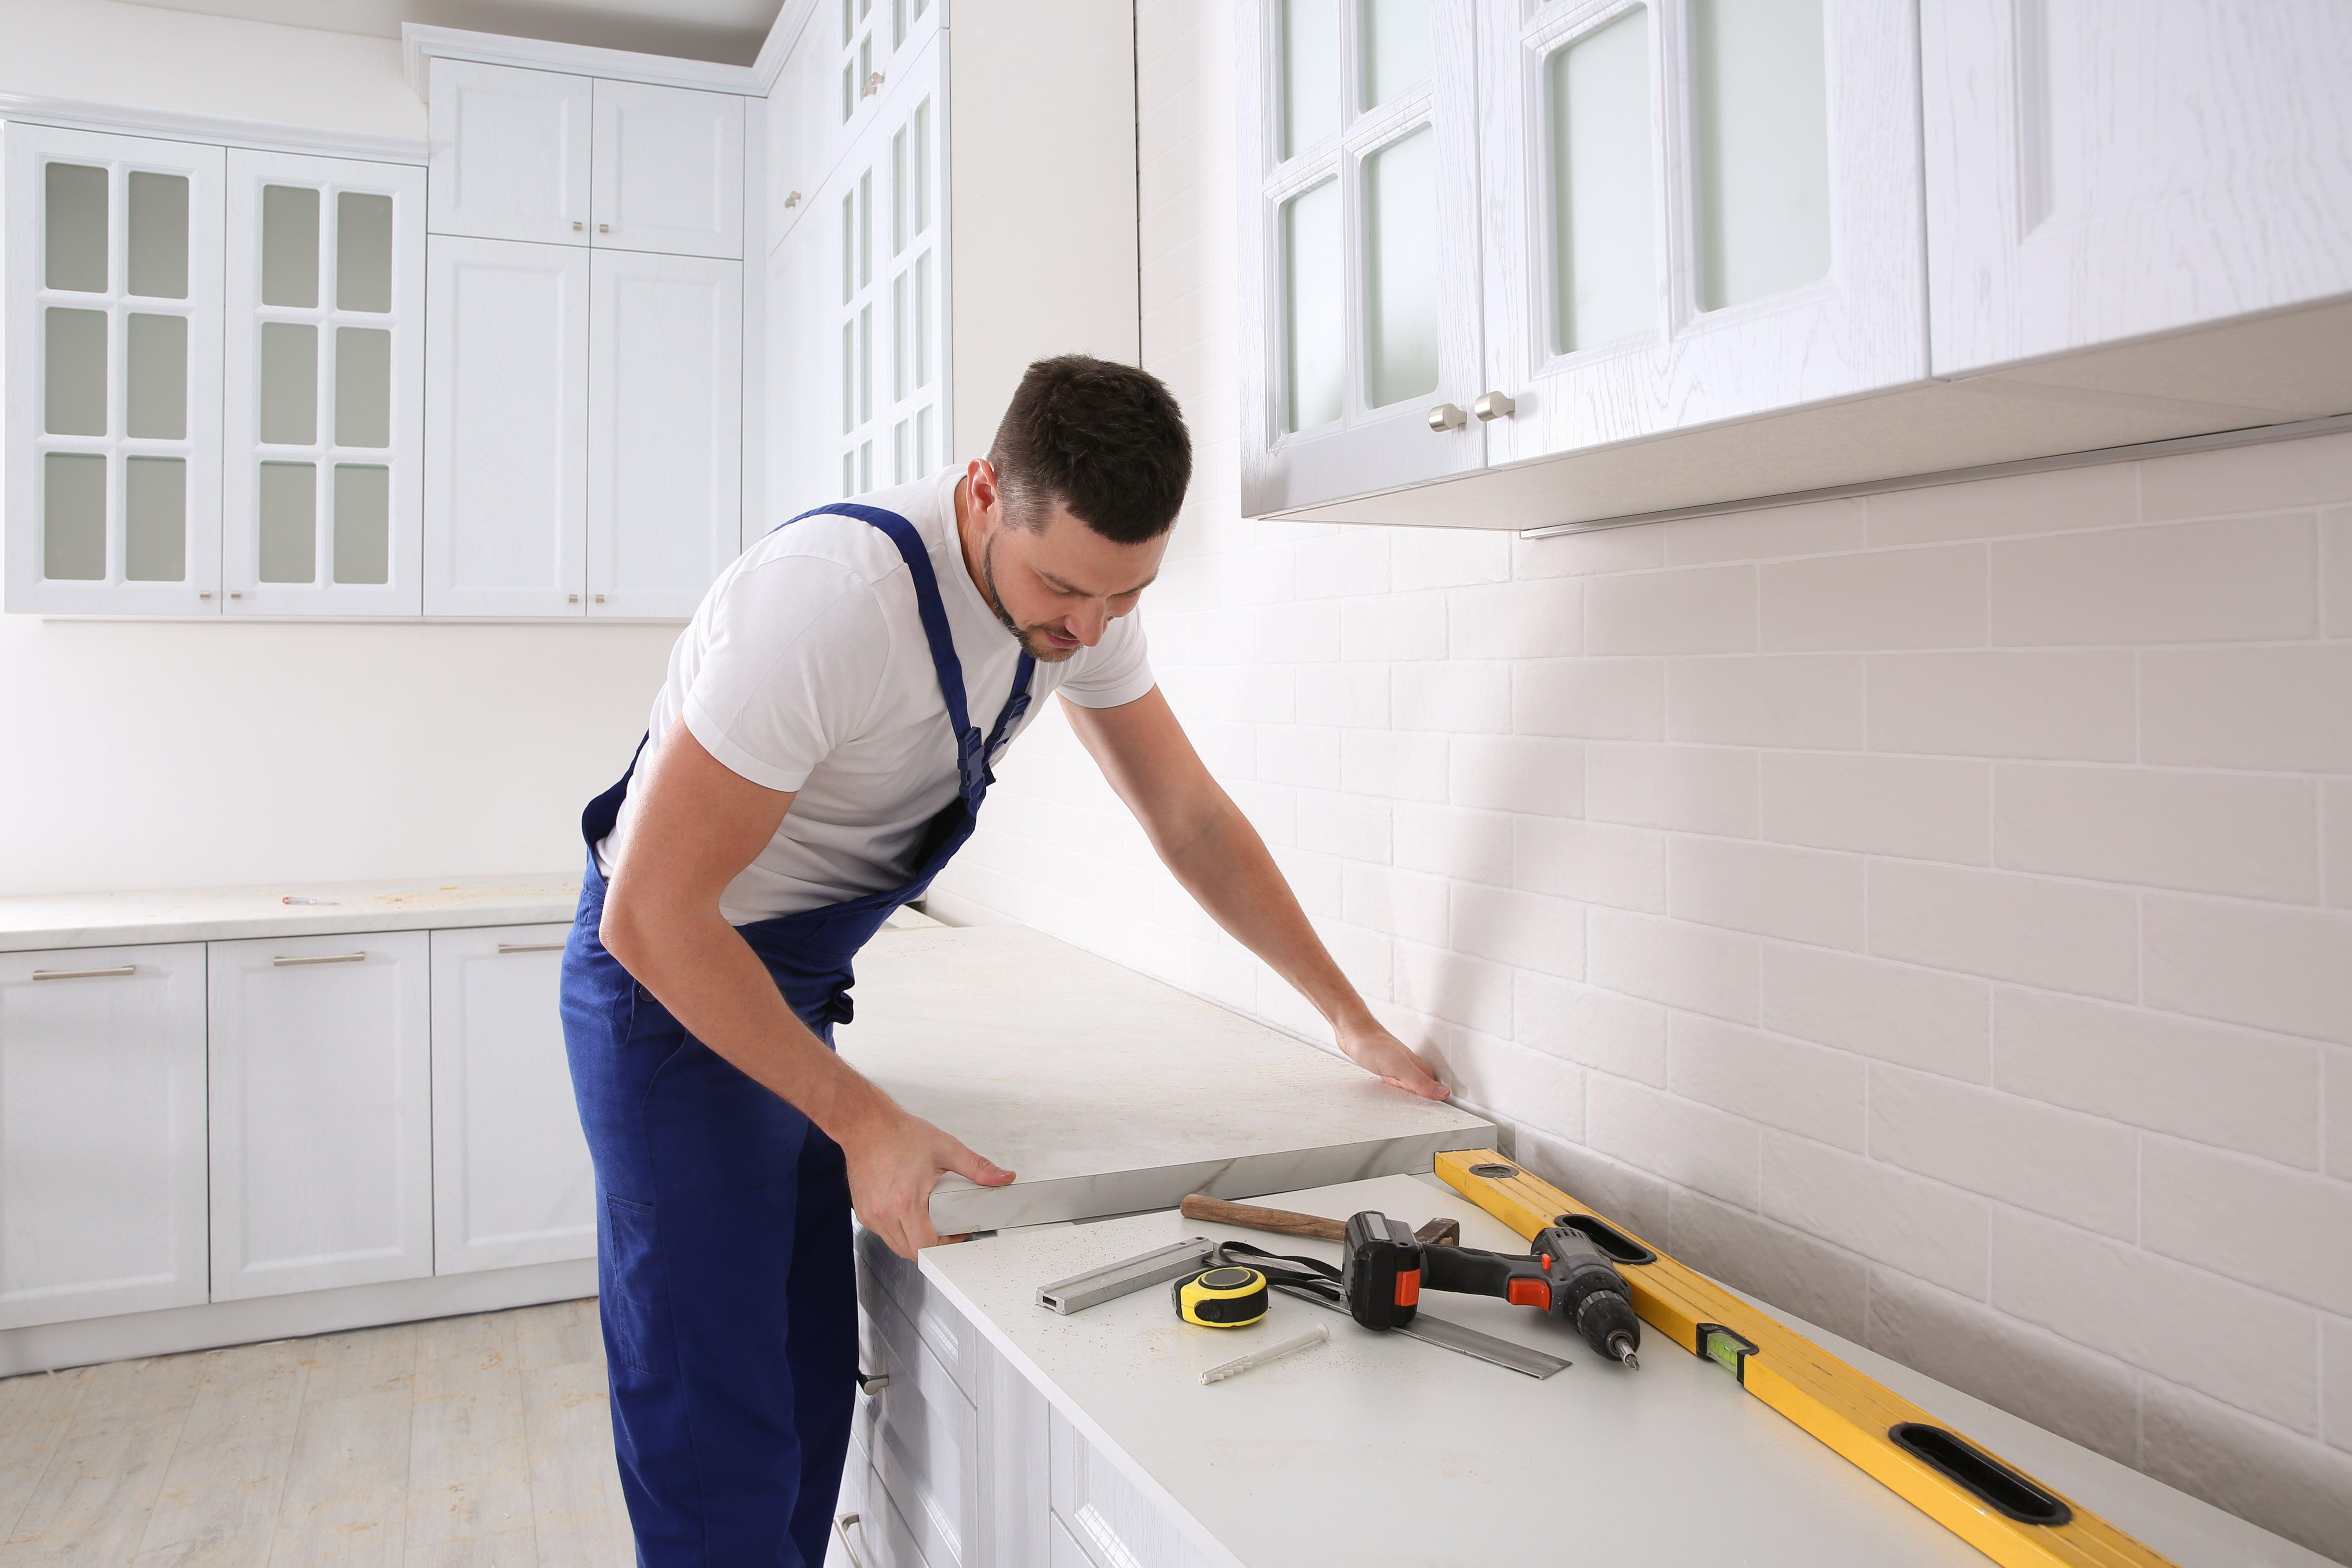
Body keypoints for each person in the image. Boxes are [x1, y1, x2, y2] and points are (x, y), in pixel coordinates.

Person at [559, 354, 1448, 1566]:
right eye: (1066, 589)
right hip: (671, 998)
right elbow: (653, 918)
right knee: (715, 1414)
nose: (1087, 631)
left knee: (808, 1370)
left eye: (1126, 598)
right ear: (984, 493)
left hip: (792, 993)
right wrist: (865, 1121)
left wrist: (1347, 1018)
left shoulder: (1077, 610)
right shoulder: (828, 604)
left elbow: (1187, 818)